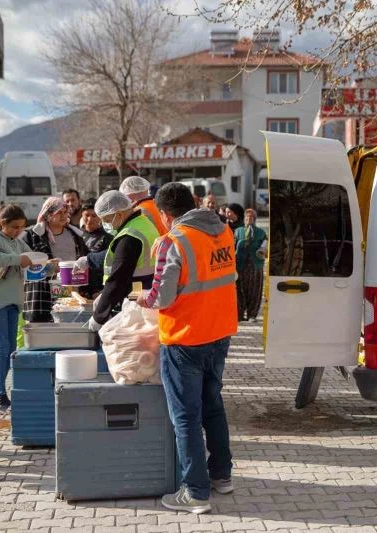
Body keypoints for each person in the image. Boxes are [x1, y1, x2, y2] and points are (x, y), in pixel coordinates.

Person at [137, 182, 237, 514]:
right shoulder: (223, 232)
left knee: (185, 417)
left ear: (165, 214)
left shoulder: (173, 241)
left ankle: (194, 492)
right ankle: (221, 475)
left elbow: (162, 296)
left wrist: (142, 298)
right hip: (219, 333)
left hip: (184, 340)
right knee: (213, 406)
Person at [74, 190, 159, 332]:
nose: (107, 225)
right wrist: (89, 259)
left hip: (136, 296)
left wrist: (99, 315)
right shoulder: (142, 223)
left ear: (119, 214)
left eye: (107, 220)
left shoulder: (130, 236)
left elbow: (117, 280)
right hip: (145, 290)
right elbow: (115, 255)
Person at [0, 204, 33, 412]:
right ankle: (1, 393)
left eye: (21, 227)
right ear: (3, 223)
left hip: (13, 301)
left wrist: (49, 264)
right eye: (14, 227)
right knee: (1, 347)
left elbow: (32, 258)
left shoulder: (18, 243)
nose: (17, 231)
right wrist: (18, 260)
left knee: (10, 349)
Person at [22, 198, 89, 323]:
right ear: (48, 215)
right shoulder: (34, 236)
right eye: (59, 213)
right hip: (41, 293)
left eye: (65, 212)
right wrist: (45, 266)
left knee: (67, 327)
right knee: (42, 331)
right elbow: (24, 265)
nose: (64, 216)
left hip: (70, 289)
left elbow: (85, 259)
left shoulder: (75, 235)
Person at [234, 209, 267, 322]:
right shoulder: (238, 231)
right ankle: (239, 314)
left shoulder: (261, 233)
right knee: (239, 289)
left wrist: (262, 250)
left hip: (255, 264)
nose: (249, 219)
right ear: (244, 219)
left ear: (255, 219)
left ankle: (252, 315)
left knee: (254, 290)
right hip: (240, 264)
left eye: (251, 217)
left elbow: (264, 246)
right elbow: (233, 246)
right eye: (247, 217)